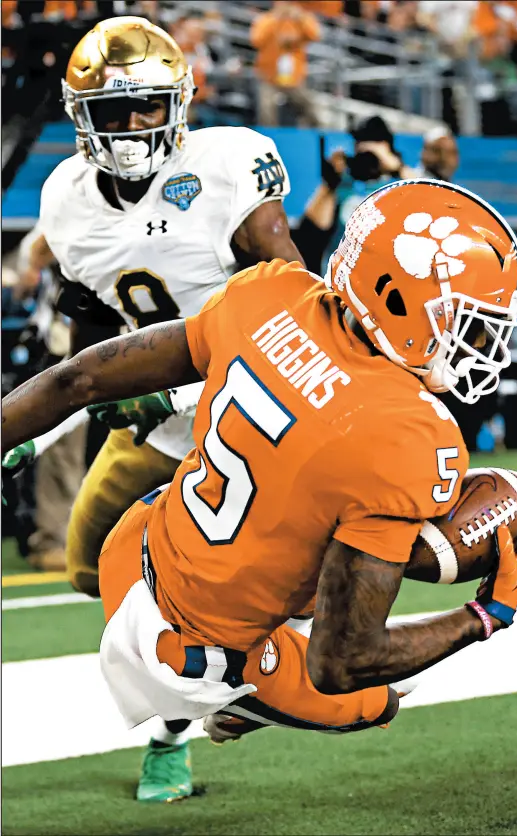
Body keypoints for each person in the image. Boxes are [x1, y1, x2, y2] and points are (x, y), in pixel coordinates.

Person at [2, 180, 517, 761]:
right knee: (379, 696)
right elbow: (343, 662)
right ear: (395, 299)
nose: (482, 340)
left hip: (133, 548)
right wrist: (482, 617)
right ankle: (238, 700)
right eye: (468, 319)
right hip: (187, 659)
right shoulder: (414, 435)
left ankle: (255, 657)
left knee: (305, 500)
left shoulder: (270, 290)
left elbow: (76, 379)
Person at [7, 15, 302, 803]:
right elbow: (93, 333)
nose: (134, 126)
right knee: (88, 565)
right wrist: (56, 416)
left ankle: (207, 710)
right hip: (161, 423)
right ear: (81, 117)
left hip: (259, 415)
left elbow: (296, 320)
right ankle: (211, 673)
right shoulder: (67, 198)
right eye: (114, 110)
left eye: (147, 107)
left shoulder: (228, 166)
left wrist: (174, 389)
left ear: (180, 102)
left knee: (246, 576)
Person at [297, 115, 411, 273]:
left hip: (386, 272)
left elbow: (430, 199)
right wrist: (329, 184)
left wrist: (395, 166)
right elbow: (314, 228)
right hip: (342, 274)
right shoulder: (345, 180)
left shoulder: (402, 183)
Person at [250, 0, 321, 127]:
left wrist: (300, 18)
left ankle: (315, 137)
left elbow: (315, 35)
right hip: (269, 76)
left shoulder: (301, 19)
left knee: (309, 106)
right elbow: (256, 40)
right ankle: (269, 139)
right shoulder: (266, 19)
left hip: (294, 76)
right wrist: (275, 19)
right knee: (266, 109)